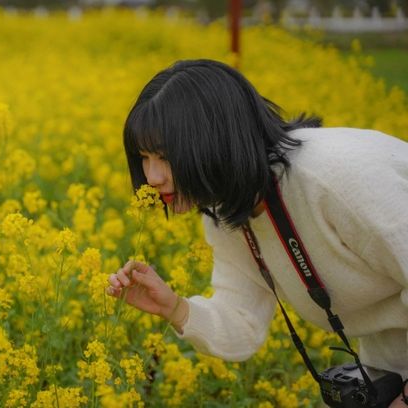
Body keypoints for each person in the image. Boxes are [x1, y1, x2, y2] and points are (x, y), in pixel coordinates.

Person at [106, 59, 408, 406]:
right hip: (389, 357)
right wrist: (175, 308)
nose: (152, 177)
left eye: (164, 156)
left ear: (216, 141)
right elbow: (242, 324)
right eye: (144, 157)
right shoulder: (227, 211)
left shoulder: (337, 178)